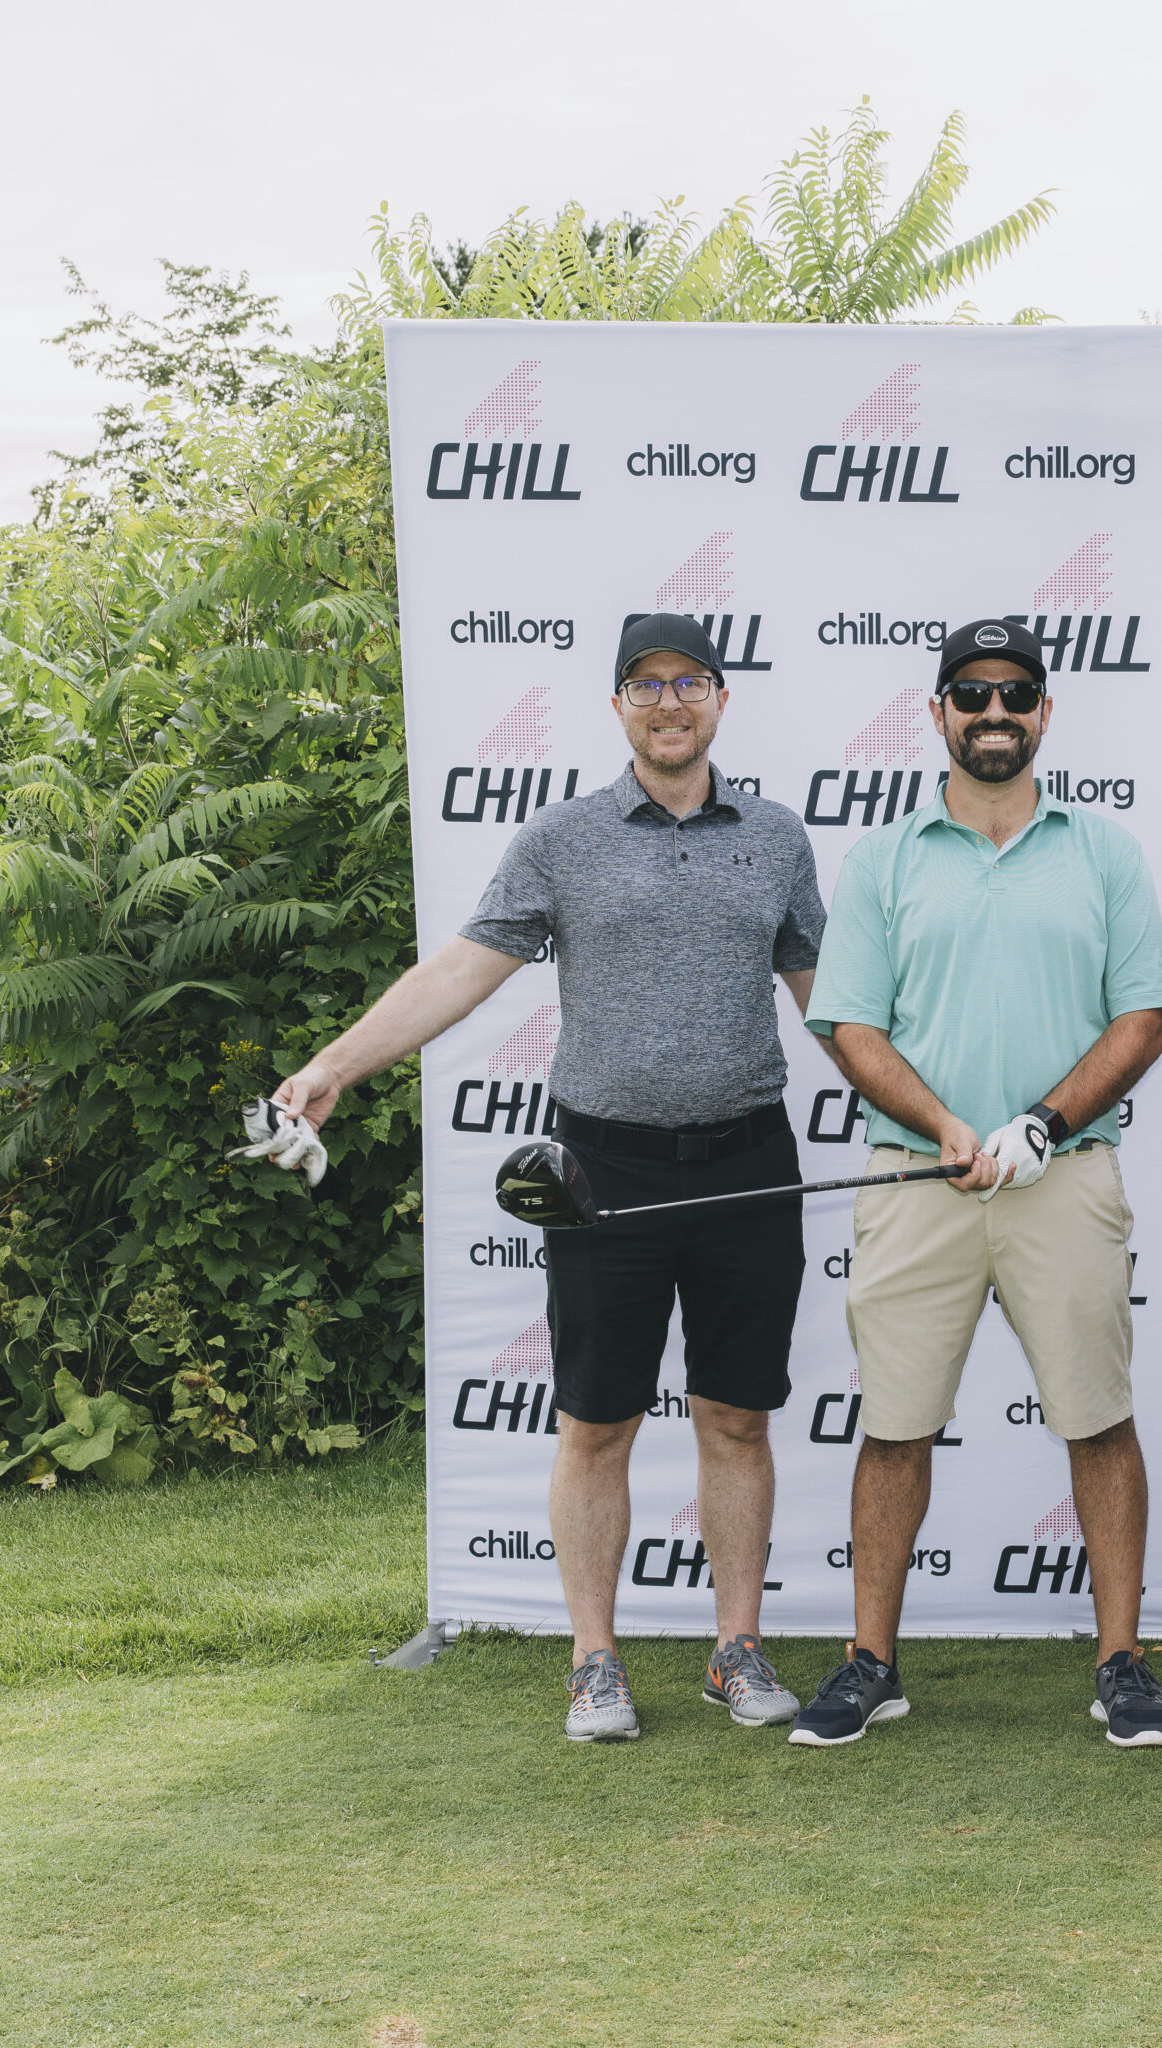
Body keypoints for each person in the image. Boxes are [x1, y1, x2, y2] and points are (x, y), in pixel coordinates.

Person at [266, 612, 832, 1745]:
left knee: (735, 1417)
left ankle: (735, 1649)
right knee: (595, 1421)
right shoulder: (562, 837)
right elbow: (460, 971)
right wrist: (334, 1064)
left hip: (747, 1162)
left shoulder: (775, 837)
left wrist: (932, 1113)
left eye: (688, 681)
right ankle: (594, 1662)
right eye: (644, 684)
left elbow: (831, 1000)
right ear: (618, 704)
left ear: (720, 697)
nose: (668, 702)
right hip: (603, 1169)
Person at [794, 619, 1162, 1749]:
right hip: (919, 1177)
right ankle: (873, 1658)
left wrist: (1041, 1122)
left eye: (1016, 692)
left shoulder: (1102, 850)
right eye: (971, 694)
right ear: (939, 715)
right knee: (895, 1424)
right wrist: (950, 1125)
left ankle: (1121, 1658)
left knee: (1098, 1418)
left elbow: (1144, 1016)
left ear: (1046, 711)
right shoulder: (885, 857)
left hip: (1063, 1175)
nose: (994, 712)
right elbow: (852, 1029)